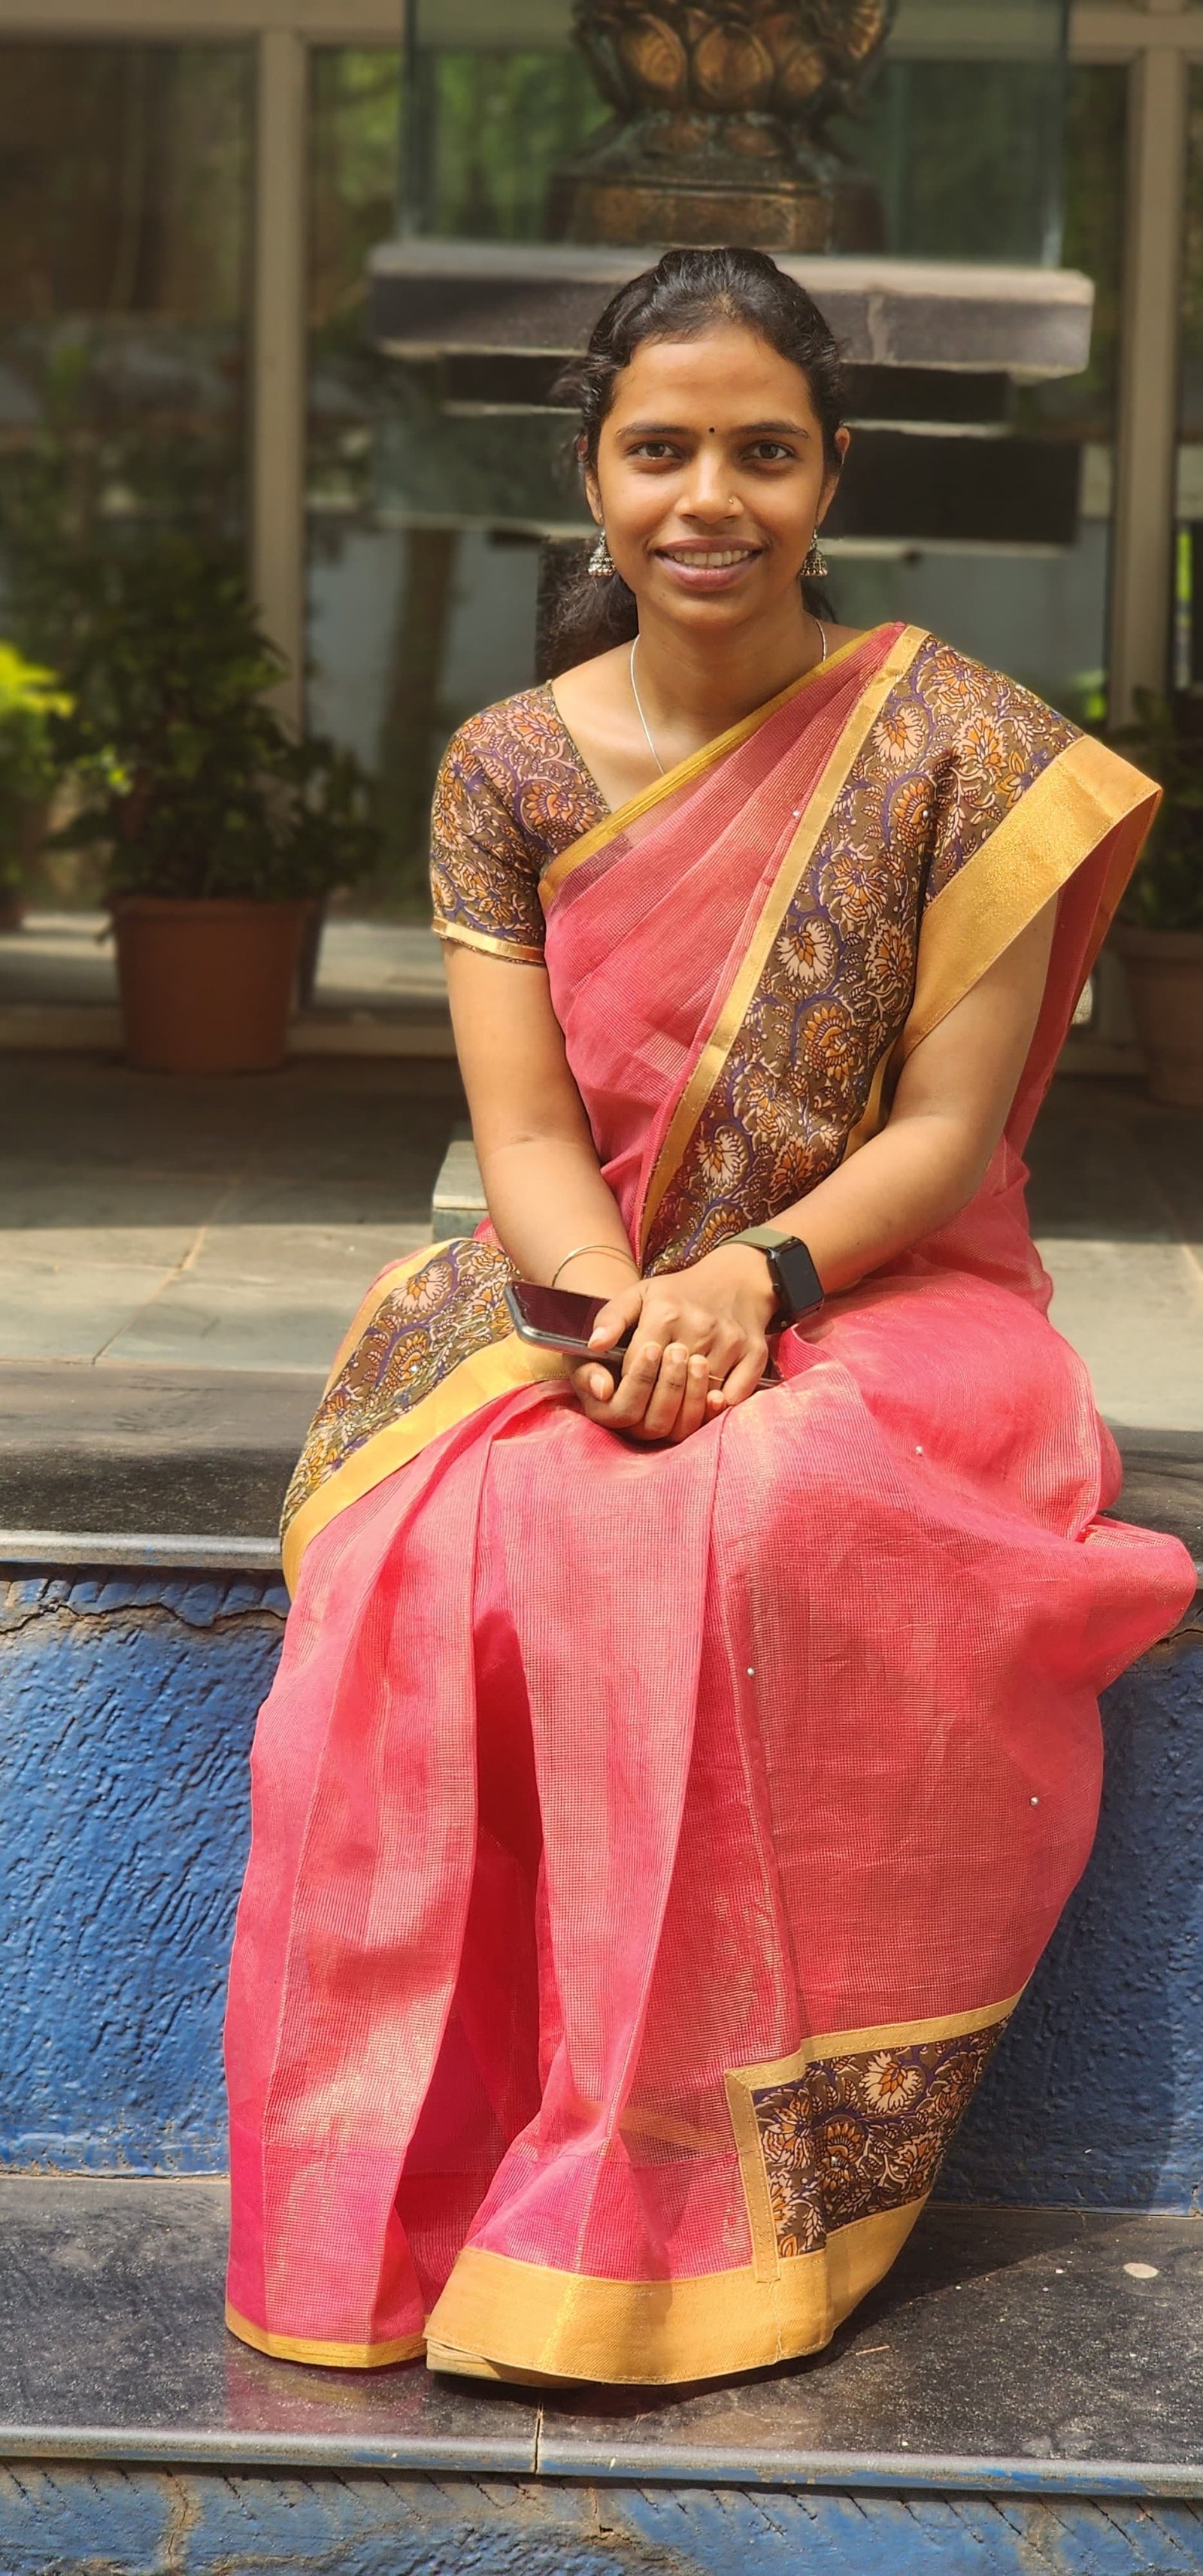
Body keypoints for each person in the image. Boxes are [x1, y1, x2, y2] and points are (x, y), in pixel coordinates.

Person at [224, 246, 1195, 2388]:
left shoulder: (960, 748)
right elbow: (526, 1129)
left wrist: (752, 1286)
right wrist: (614, 1315)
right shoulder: (505, 767)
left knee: (749, 1516)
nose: (710, 498)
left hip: (887, 1289)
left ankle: (687, 2200)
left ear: (834, 474)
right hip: (587, 1279)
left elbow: (945, 1133)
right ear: (590, 472)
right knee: (447, 1545)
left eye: (764, 451)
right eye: (661, 449)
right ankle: (442, 2191)